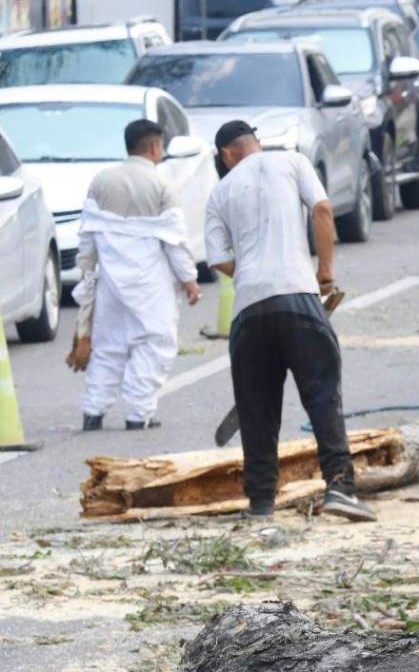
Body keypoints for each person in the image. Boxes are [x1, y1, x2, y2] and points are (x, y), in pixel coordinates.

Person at [204, 121, 374, 523]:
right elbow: (322, 208)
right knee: (322, 395)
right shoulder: (293, 161)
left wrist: (250, 271)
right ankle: (340, 487)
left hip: (249, 310)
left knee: (256, 408)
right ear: (253, 144)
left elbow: (217, 258)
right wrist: (325, 272)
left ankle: (261, 502)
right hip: (298, 296)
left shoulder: (220, 192)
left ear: (227, 154)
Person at [77, 119, 201, 431]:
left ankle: (93, 411)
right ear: (155, 147)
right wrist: (189, 280)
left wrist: (86, 274)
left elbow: (87, 238)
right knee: (153, 345)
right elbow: (175, 241)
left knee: (108, 348)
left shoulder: (101, 181)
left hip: (110, 284)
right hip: (150, 284)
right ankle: (138, 414)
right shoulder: (162, 186)